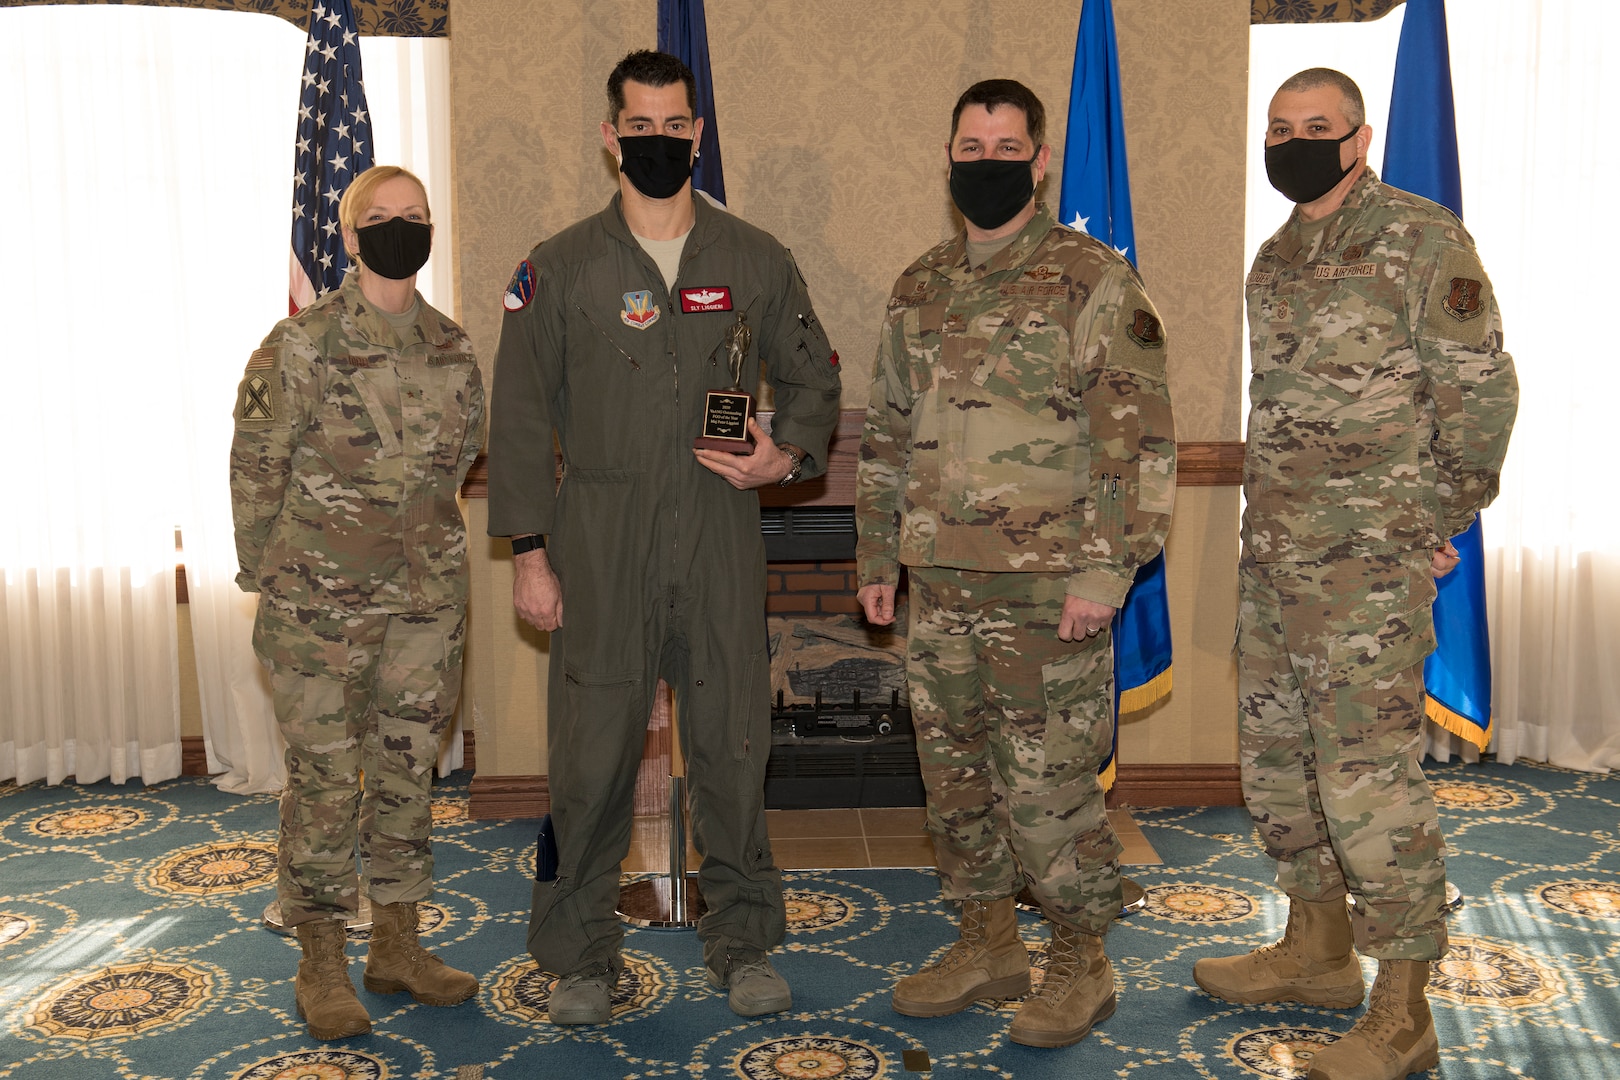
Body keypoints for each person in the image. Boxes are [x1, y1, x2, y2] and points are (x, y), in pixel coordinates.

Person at [486, 50, 841, 1025]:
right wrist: (529, 551)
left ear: (698, 131)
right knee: (590, 756)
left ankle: (744, 942)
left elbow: (813, 380)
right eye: (636, 126)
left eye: (673, 125)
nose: (656, 141)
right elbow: (517, 414)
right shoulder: (555, 269)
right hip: (598, 535)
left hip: (720, 528)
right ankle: (581, 955)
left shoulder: (755, 259)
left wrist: (787, 456)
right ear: (611, 137)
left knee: (732, 744)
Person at [1192, 69, 1517, 1080]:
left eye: (1316, 128)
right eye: (1279, 128)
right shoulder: (1274, 259)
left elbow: (1482, 392)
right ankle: (1317, 951)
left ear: (1360, 138)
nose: (1294, 143)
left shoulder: (1423, 242)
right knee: (1283, 767)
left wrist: (1433, 514)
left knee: (1370, 784)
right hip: (1278, 563)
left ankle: (1404, 1008)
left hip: (1368, 573)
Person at [854, 79, 1176, 1049]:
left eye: (1006, 146)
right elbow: (887, 434)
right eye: (969, 144)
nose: (985, 161)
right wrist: (879, 552)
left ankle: (1085, 962)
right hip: (940, 589)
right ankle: (987, 942)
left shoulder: (1095, 281)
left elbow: (1139, 447)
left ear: (1039, 162)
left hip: (1049, 595)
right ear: (947, 157)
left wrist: (1102, 575)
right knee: (954, 786)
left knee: (1047, 793)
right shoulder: (921, 284)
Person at [230, 165, 486, 1040]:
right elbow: (257, 469)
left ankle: (398, 945)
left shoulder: (454, 348)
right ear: (348, 236)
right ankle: (321, 962)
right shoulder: (301, 344)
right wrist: (275, 580)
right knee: (327, 785)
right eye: (381, 218)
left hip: (426, 603)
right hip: (318, 611)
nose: (400, 229)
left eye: (415, 217)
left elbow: (457, 470)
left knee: (410, 773)